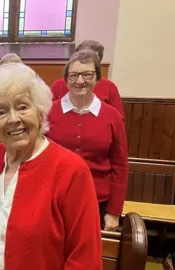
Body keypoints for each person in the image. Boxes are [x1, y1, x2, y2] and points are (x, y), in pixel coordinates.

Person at [0, 63, 102, 269]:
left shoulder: (71, 170)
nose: (13, 119)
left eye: (22, 107)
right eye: (1, 112)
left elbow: (85, 257)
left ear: (40, 112)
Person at [46, 50, 128, 231]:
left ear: (97, 78)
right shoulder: (48, 112)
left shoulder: (111, 116)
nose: (80, 81)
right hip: (53, 198)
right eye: (73, 75)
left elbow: (120, 165)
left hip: (97, 202)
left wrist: (114, 211)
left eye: (87, 75)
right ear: (66, 79)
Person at [50, 40, 124, 118]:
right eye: (81, 58)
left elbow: (118, 119)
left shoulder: (110, 87)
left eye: (92, 60)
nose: (80, 81)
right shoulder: (58, 85)